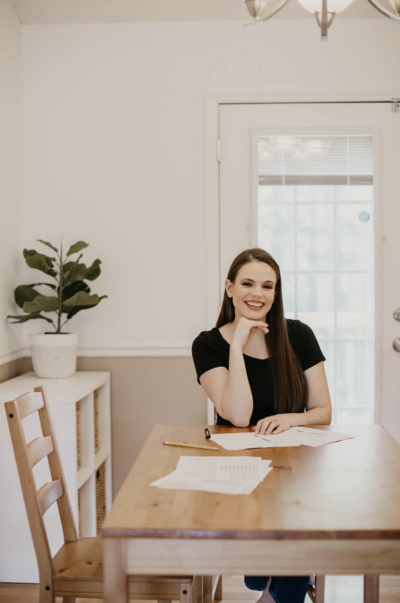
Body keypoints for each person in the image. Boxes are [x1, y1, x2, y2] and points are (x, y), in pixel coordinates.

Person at [192, 247, 332, 603]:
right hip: (240, 472)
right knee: (262, 576)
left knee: (294, 551)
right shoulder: (207, 344)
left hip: (295, 469)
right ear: (229, 288)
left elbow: (323, 410)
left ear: (276, 293)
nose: (258, 293)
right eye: (248, 283)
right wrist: (237, 345)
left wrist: (290, 418)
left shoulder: (298, 335)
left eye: (268, 286)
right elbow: (238, 416)